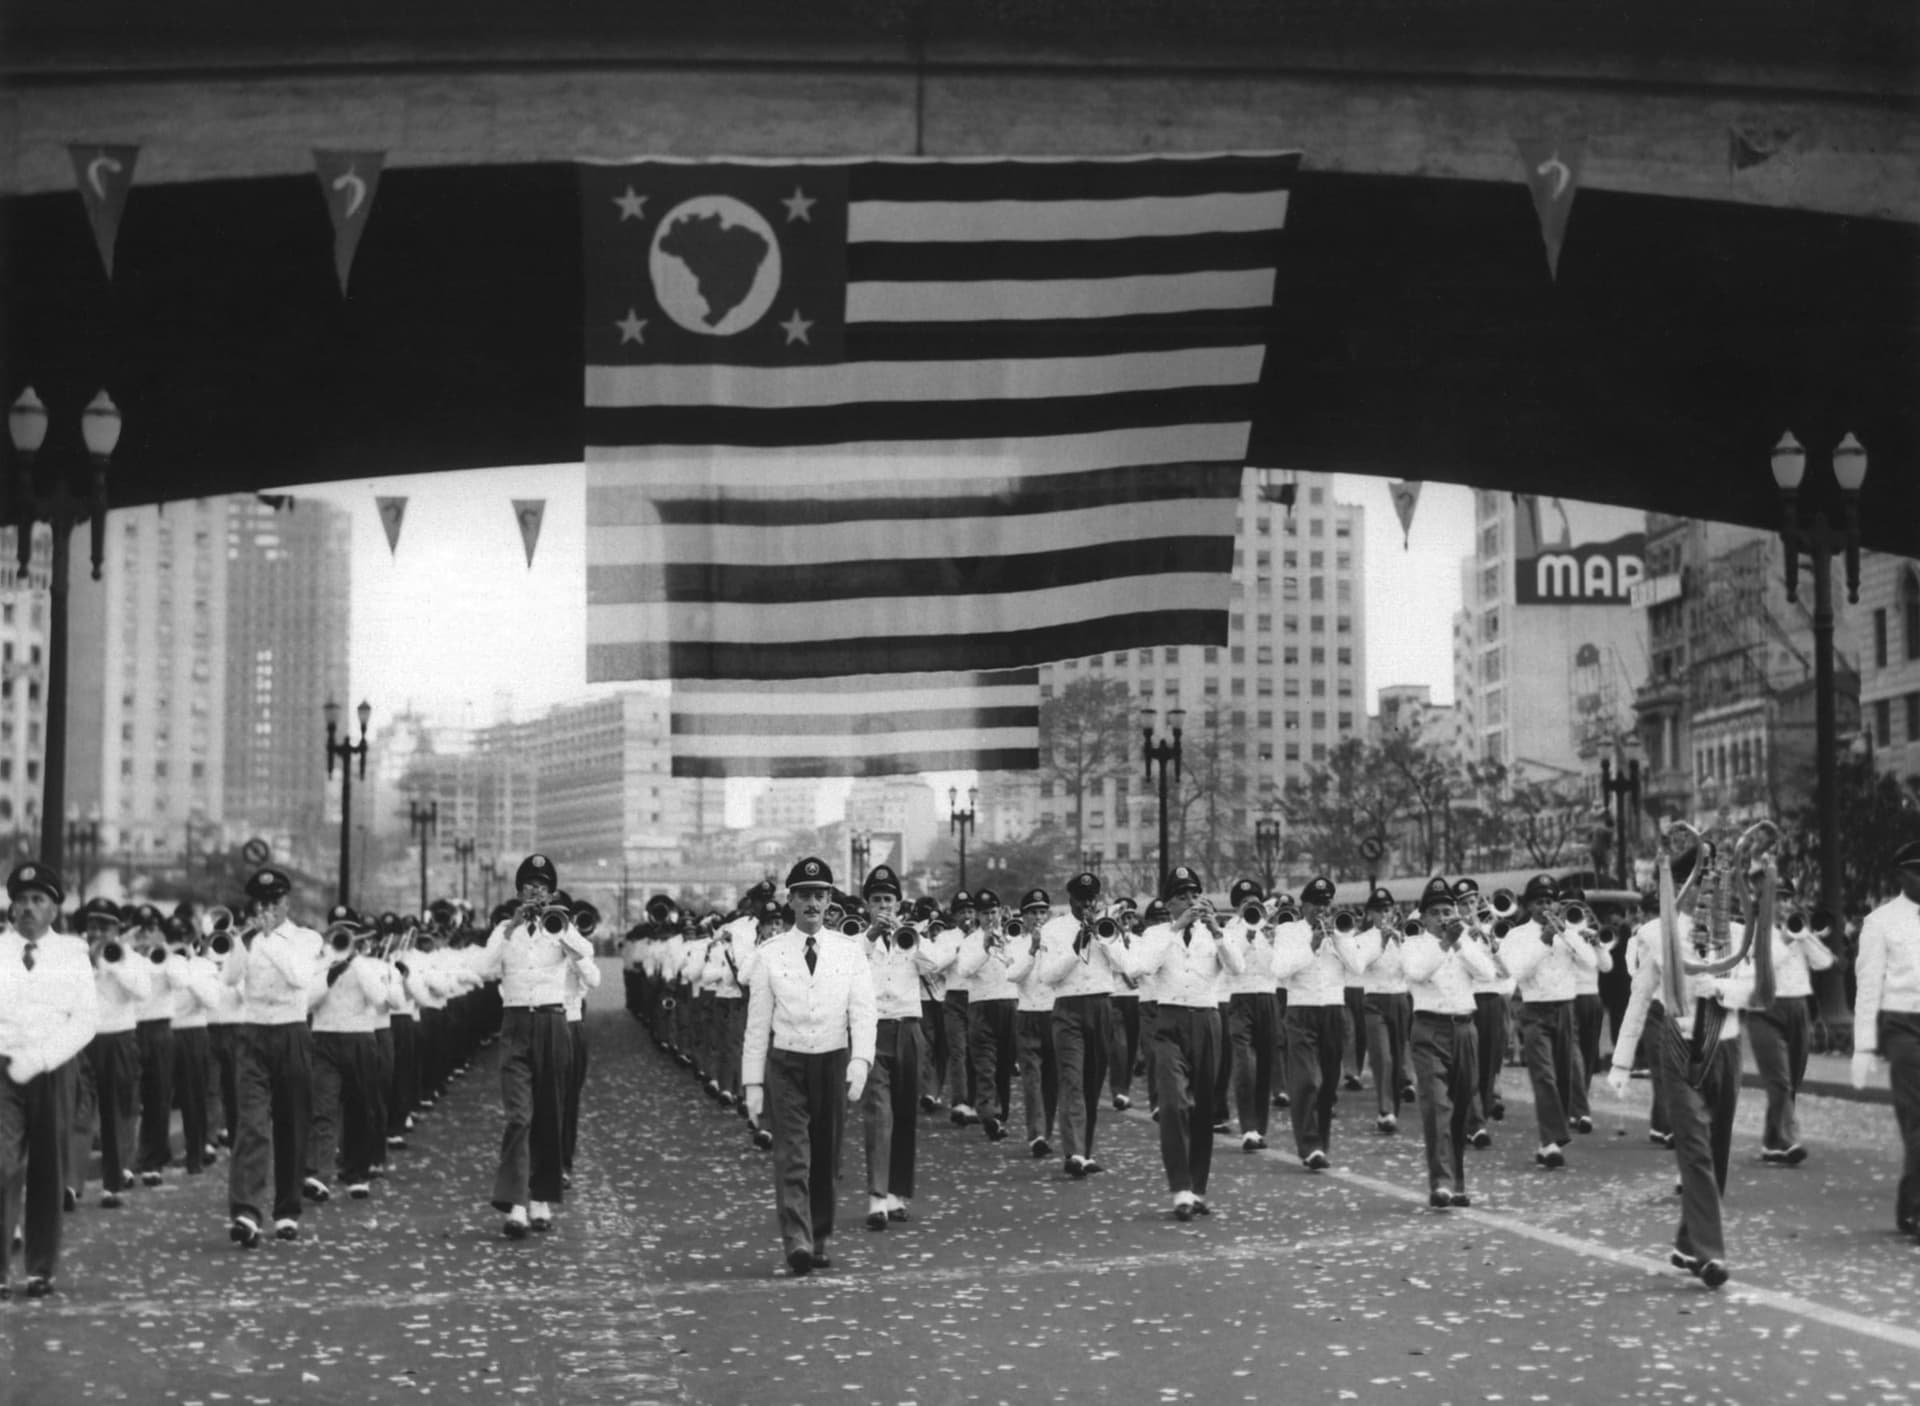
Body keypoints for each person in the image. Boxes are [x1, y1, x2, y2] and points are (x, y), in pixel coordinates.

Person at [1607, 848, 1754, 1289]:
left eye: (1716, 881)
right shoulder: (1657, 933)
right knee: (1693, 1149)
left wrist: (1724, 989)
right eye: (1700, 880)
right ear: (1682, 884)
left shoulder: (1740, 933)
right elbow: (1639, 997)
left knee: (1718, 1151)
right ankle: (1710, 1254)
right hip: (1677, 1044)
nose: (1708, 889)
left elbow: (1760, 991)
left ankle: (1689, 1242)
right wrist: (1620, 1058)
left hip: (1723, 1047)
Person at [742, 857, 877, 1277]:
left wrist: (860, 1060)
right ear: (791, 901)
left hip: (833, 1060)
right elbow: (757, 1023)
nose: (812, 904)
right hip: (787, 1064)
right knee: (793, 1155)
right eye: (804, 896)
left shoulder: (850, 951)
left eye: (820, 895)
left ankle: (819, 1237)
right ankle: (797, 1240)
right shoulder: (769, 954)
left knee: (826, 1155)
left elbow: (864, 1010)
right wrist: (752, 1084)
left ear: (830, 900)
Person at [1105, 864, 1245, 1219]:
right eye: (1182, 896)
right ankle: (1180, 1187)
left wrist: (1216, 931)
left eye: (1194, 894)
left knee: (1202, 1110)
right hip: (1168, 1019)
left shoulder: (1214, 933)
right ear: (1169, 903)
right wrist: (1175, 929)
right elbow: (1139, 969)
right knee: (1172, 1103)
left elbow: (1236, 968)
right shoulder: (1156, 935)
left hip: (1206, 1018)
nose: (1190, 901)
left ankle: (1197, 1189)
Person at [481, 854, 593, 1240]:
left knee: (549, 1112)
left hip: (551, 1021)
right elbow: (484, 967)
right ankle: (515, 1203)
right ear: (518, 890)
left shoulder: (560, 927)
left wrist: (561, 930)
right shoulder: (503, 929)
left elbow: (589, 960)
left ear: (552, 892)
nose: (536, 891)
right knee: (519, 1115)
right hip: (515, 1023)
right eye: (530, 885)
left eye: (543, 886)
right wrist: (512, 927)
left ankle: (541, 1199)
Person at [0, 864, 98, 1299]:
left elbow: (86, 1020)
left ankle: (40, 1267)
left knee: (46, 1168)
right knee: (2, 1164)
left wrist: (40, 1058)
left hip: (53, 1068)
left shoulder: (72, 955)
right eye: (20, 900)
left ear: (54, 908)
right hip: (3, 1069)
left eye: (38, 900)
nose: (27, 909)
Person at [225, 867, 326, 1247]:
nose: (267, 909)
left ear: (287, 902)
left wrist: (267, 939)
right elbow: (229, 979)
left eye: (274, 902)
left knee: (291, 1123)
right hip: (252, 1032)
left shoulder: (305, 938)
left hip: (291, 1032)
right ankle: (246, 1212)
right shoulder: (247, 938)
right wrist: (241, 942)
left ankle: (287, 1210)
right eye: (261, 903)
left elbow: (299, 976)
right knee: (251, 1124)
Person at [1400, 878, 1495, 1209]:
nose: (1443, 918)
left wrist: (1460, 944)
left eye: (1447, 911)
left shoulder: (1464, 939)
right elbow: (1415, 973)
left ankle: (1456, 1183)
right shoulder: (1414, 942)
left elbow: (1487, 974)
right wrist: (1443, 945)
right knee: (1437, 1107)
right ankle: (1440, 1182)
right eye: (1436, 913)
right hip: (1430, 1029)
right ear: (1424, 918)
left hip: (1465, 1029)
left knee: (1460, 1109)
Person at [1498, 874, 1597, 1170]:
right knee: (1544, 1076)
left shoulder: (1569, 930)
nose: (1546, 906)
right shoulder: (1518, 935)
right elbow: (1516, 970)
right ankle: (1551, 1140)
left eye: (1550, 900)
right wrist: (1544, 942)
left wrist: (1570, 935)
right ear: (1529, 905)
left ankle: (1548, 1140)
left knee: (1564, 1075)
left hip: (1566, 1007)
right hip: (1535, 1010)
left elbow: (1591, 962)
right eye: (1539, 901)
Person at [1849, 838, 1920, 1239]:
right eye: (1918, 872)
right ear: (1902, 875)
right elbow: (1868, 987)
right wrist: (1863, 1047)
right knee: (1917, 1119)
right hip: (1903, 1024)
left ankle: (1910, 1203)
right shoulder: (1881, 922)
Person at [851, 865, 928, 1229]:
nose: (883, 906)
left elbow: (935, 967)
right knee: (878, 1115)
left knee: (904, 1114)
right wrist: (870, 935)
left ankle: (897, 1193)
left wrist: (907, 936)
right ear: (867, 904)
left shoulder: (913, 937)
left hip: (908, 1028)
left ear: (899, 904)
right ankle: (876, 1197)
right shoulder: (853, 941)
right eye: (877, 900)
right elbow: (846, 968)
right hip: (872, 1030)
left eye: (889, 900)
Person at [1271, 875, 1363, 1171]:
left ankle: (1320, 1144)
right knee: (1307, 1080)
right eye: (1316, 905)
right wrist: (1311, 945)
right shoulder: (1288, 931)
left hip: (1333, 1010)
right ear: (1304, 906)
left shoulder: (1342, 932)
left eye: (1326, 905)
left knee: (1328, 1084)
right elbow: (1280, 970)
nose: (1321, 911)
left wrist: (1337, 938)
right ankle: (1308, 1144)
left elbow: (1358, 967)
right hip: (1301, 1009)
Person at [1748, 877, 1835, 1165]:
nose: (1782, 904)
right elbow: (1762, 967)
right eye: (1776, 898)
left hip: (1798, 1007)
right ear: (1763, 902)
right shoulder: (1753, 933)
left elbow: (1824, 962)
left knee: (1791, 1081)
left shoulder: (1797, 930)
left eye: (1786, 899)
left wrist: (1805, 935)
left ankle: (1772, 1144)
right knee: (1780, 1081)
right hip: (1766, 1010)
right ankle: (1790, 1139)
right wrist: (1785, 940)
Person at [83, 898, 148, 1208]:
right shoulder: (76, 954)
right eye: (93, 925)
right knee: (76, 1112)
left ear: (117, 929)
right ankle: (70, 1183)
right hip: (82, 1038)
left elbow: (142, 992)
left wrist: (113, 966)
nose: (98, 932)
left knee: (112, 1112)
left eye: (105, 926)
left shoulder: (130, 958)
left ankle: (111, 1184)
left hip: (118, 1037)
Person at [955, 890, 1025, 1144]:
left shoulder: (1011, 936)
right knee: (985, 1064)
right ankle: (988, 1113)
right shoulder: (970, 941)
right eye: (984, 914)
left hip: (1008, 1003)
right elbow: (964, 970)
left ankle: (1000, 1111)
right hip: (982, 1005)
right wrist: (985, 949)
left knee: (1005, 1063)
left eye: (993, 912)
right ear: (977, 916)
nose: (989, 918)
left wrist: (1005, 947)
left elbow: (1018, 967)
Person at [1220, 879, 1279, 1151]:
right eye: (1244, 903)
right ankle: (1248, 1128)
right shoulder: (1230, 930)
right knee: (1244, 1064)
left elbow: (1280, 965)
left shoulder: (1270, 927)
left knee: (1266, 1063)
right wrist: (1248, 935)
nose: (1249, 906)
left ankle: (1260, 1127)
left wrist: (1271, 935)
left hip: (1267, 996)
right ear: (1237, 907)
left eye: (1254, 901)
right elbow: (1232, 965)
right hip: (1239, 997)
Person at [1355, 887, 1415, 1135]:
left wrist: (1400, 944)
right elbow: (1359, 965)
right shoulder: (1362, 938)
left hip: (1399, 998)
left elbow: (1412, 970)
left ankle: (1393, 1109)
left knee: (1398, 1057)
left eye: (1387, 909)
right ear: (1370, 914)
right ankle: (1385, 1108)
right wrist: (1381, 941)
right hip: (1374, 999)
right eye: (1379, 910)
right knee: (1382, 1057)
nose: (1384, 914)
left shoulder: (1404, 937)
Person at [1013, 890, 1061, 1162]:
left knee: (1052, 1080)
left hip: (1053, 1013)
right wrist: (1032, 949)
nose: (1038, 917)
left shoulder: (1056, 943)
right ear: (1024, 917)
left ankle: (1046, 1131)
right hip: (1028, 1014)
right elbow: (1013, 974)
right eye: (1033, 912)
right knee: (1032, 1079)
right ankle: (1037, 1135)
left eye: (1043, 912)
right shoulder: (1016, 943)